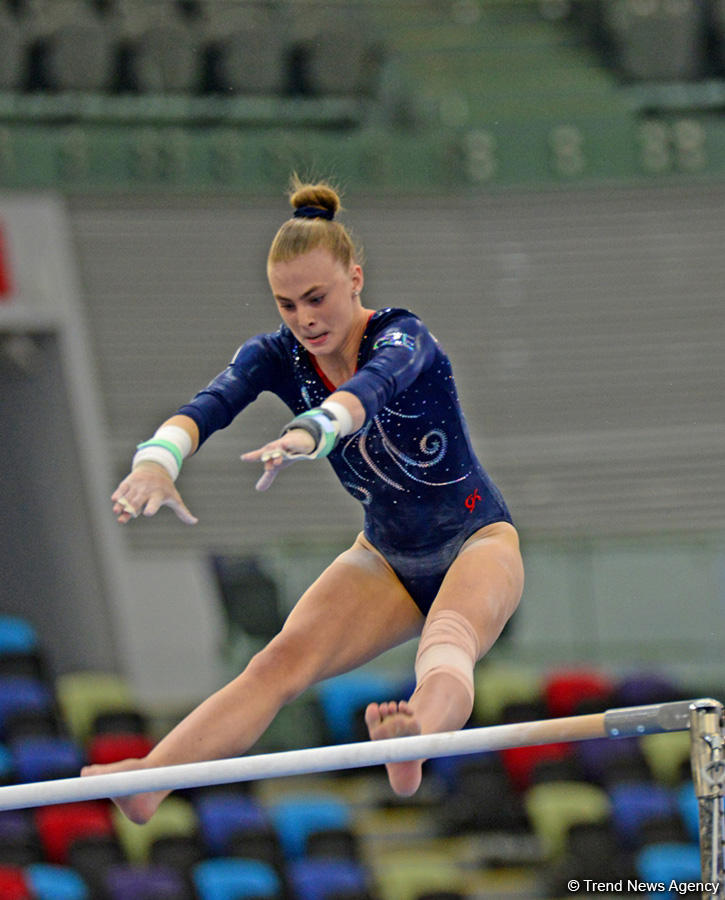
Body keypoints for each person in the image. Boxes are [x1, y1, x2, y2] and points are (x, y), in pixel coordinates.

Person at [82, 177, 524, 825]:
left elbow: (370, 389)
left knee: (448, 640)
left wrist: (312, 428)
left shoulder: (404, 337)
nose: (304, 318)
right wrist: (158, 459)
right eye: (286, 304)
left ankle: (412, 743)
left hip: (477, 540)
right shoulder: (274, 356)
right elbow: (207, 407)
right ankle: (152, 782)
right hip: (385, 556)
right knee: (276, 663)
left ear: (354, 278)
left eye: (316, 297)